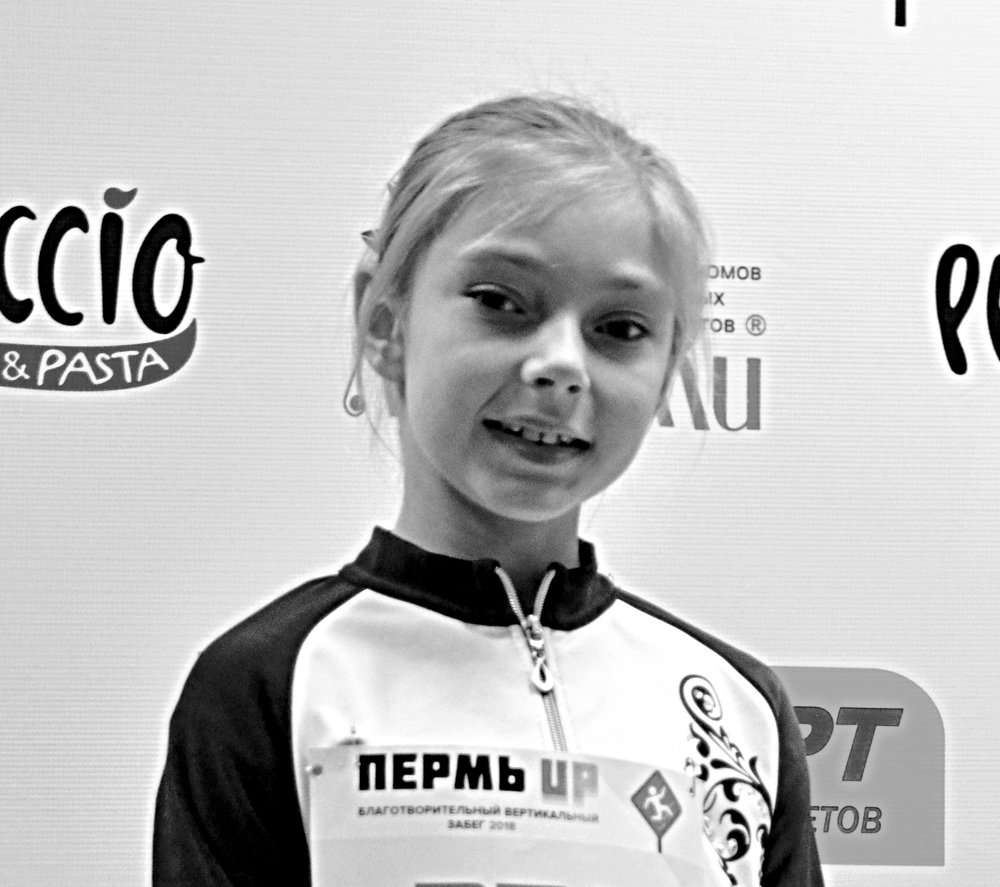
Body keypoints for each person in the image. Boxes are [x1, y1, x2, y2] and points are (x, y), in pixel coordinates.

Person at [152, 94, 823, 886]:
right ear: (386, 323)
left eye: (619, 328)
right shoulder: (269, 684)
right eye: (501, 303)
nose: (561, 365)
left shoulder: (737, 705)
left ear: (668, 364)